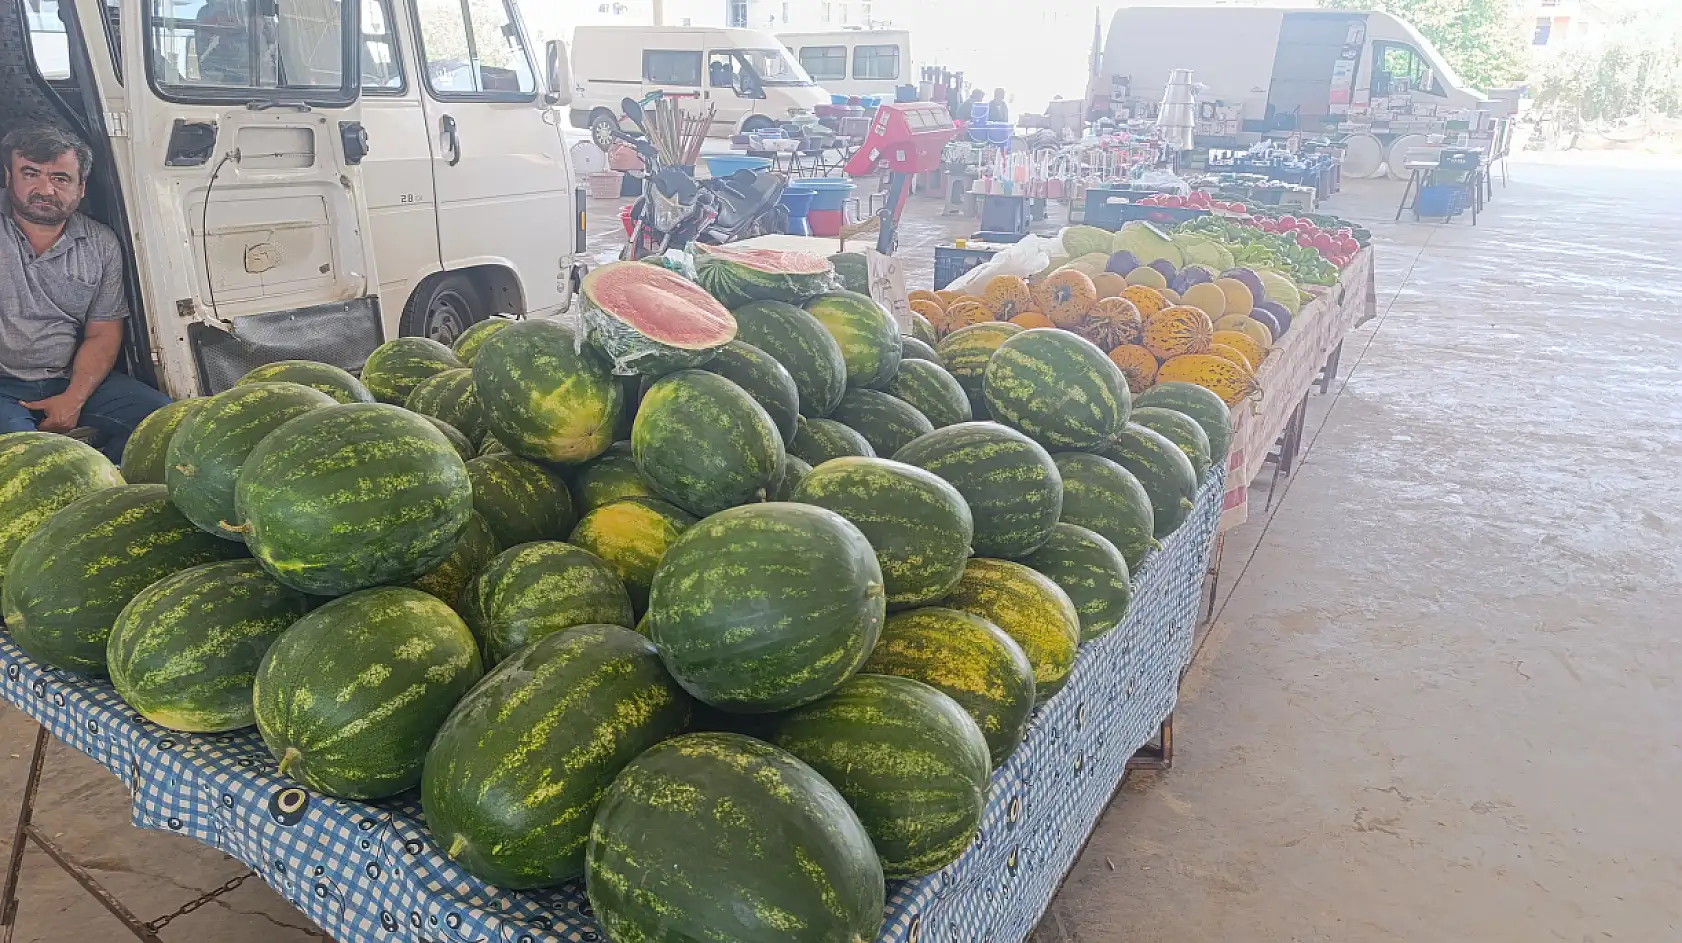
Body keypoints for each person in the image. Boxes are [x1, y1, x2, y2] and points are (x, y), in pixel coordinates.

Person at [0, 125, 172, 461]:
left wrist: (74, 397)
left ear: (81, 188)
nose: (45, 189)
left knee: (162, 421)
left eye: (60, 178)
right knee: (26, 460)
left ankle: (112, 491)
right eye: (31, 174)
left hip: (70, 377)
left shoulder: (101, 244)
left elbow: (103, 334)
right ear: (9, 178)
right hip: (3, 386)